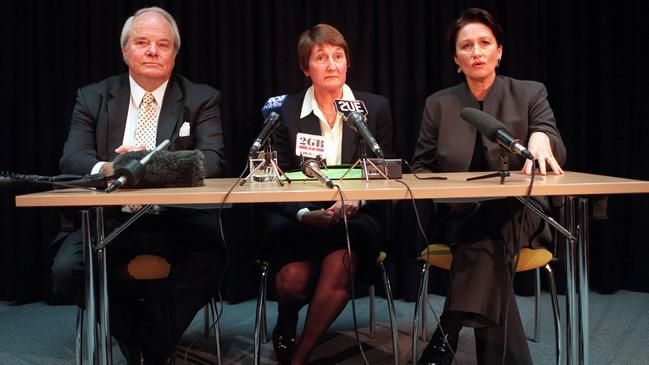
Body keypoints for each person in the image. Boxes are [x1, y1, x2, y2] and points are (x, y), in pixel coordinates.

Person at [51, 7, 225, 364]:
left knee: (213, 259)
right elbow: (72, 159)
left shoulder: (201, 98)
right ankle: (139, 338)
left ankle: (149, 346)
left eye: (163, 44)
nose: (152, 51)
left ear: (174, 54)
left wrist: (148, 165)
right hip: (107, 220)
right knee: (67, 269)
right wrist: (113, 167)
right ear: (125, 51)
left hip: (175, 219)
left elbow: (213, 160)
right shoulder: (93, 97)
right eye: (142, 42)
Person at [412, 8, 566, 365]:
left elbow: (552, 140)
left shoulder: (529, 93)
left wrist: (542, 137)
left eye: (485, 43)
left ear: (499, 51)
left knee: (498, 215)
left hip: (523, 216)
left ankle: (446, 331)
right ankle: (455, 334)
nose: (476, 52)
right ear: (456, 58)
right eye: (467, 46)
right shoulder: (438, 104)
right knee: (486, 243)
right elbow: (421, 167)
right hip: (459, 218)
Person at [261, 24, 394, 365]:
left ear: (348, 63)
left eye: (338, 56)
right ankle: (286, 321)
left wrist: (357, 201)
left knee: (341, 261)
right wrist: (305, 212)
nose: (332, 65)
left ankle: (300, 356)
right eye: (321, 58)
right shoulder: (283, 111)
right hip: (299, 217)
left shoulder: (374, 108)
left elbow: (383, 173)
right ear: (306, 68)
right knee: (292, 280)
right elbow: (272, 181)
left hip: (354, 218)